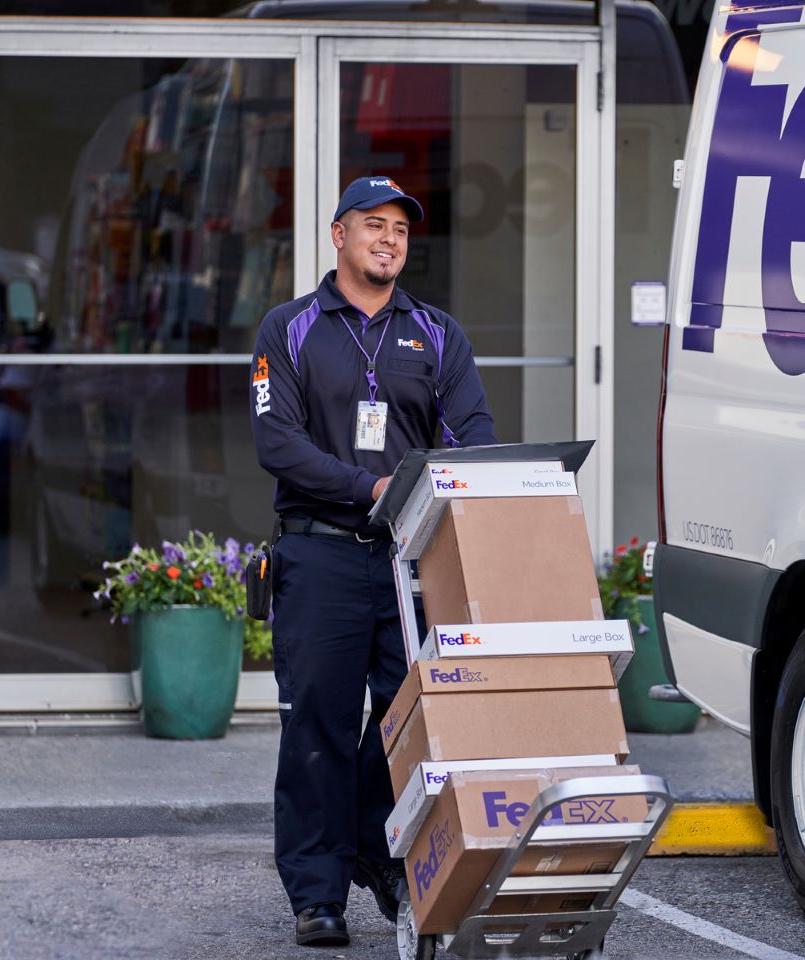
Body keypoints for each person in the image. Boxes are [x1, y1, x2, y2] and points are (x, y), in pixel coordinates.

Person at [249, 176, 497, 947]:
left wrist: (446, 493)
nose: (389, 239)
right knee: (317, 724)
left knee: (409, 718)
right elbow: (278, 444)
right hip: (319, 552)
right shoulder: (289, 328)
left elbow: (473, 435)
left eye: (400, 229)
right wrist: (371, 487)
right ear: (338, 235)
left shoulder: (436, 333)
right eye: (373, 225)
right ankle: (316, 894)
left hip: (409, 560)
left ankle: (375, 846)